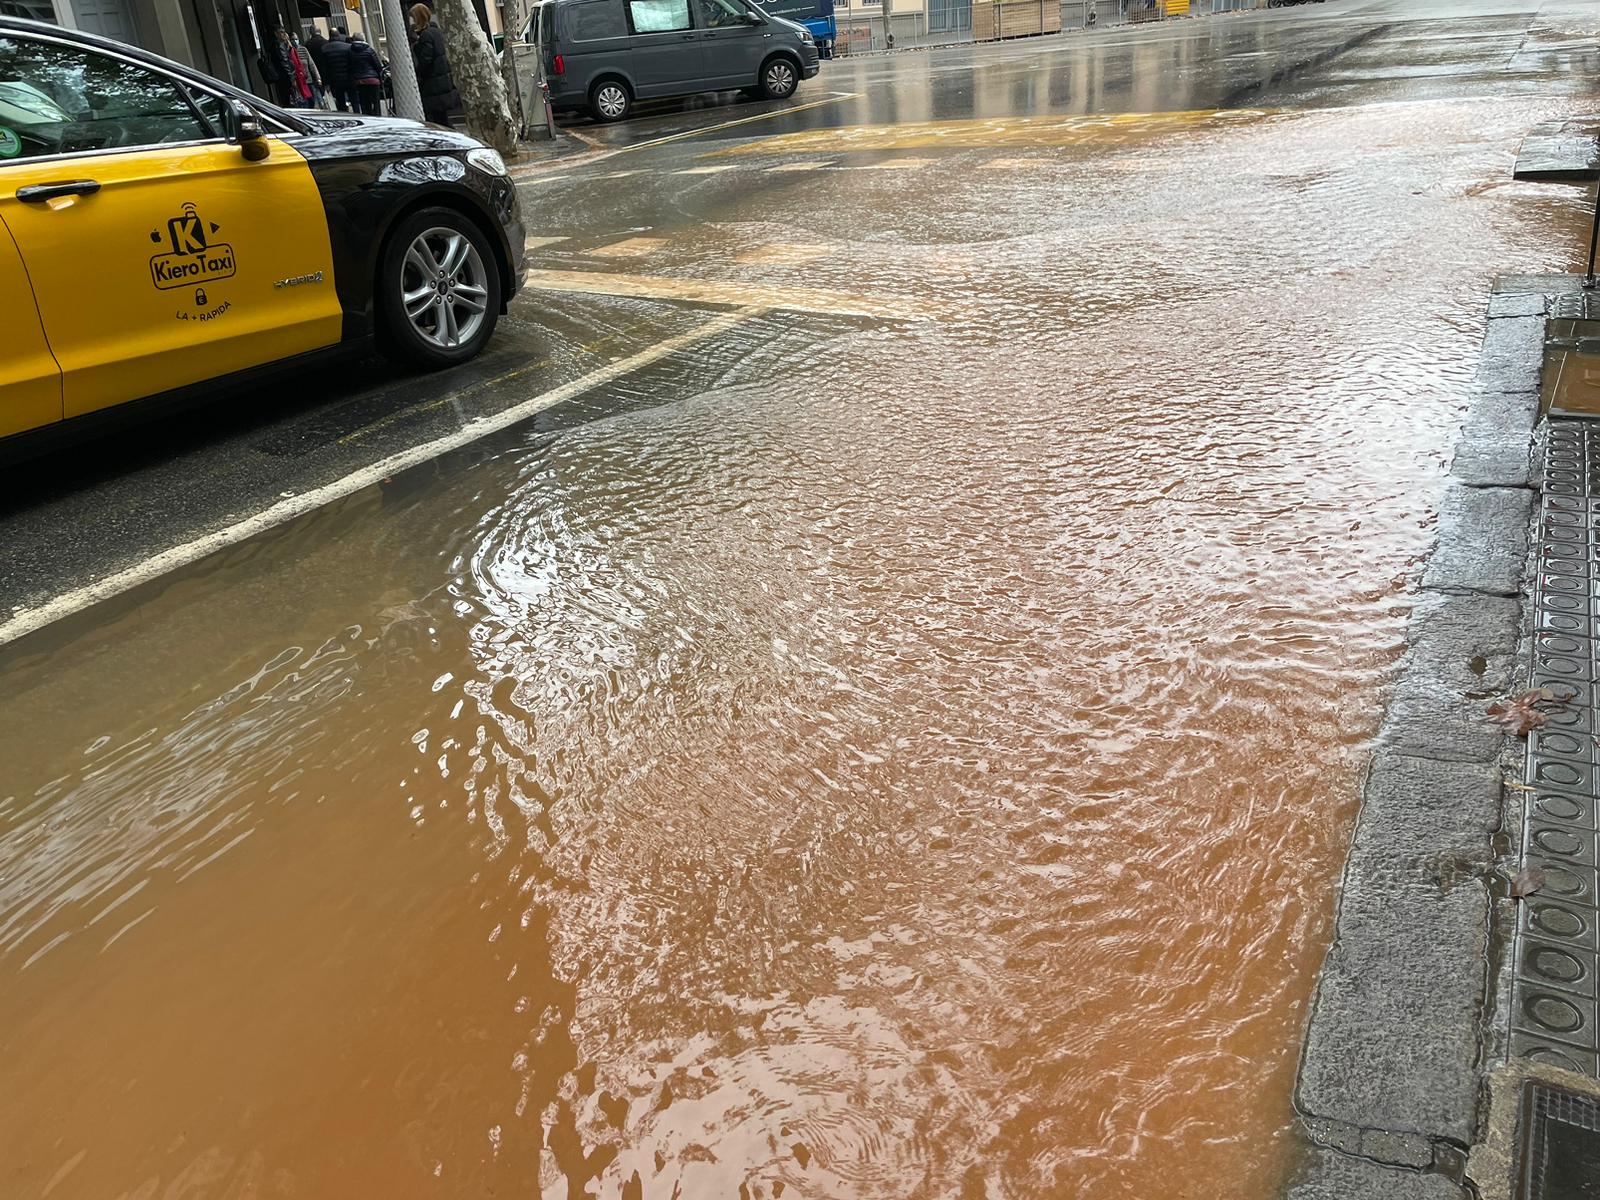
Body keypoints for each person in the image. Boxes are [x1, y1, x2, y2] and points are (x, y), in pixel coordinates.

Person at [409, 3, 458, 127]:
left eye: (413, 18)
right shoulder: (436, 32)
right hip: (441, 82)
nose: (412, 21)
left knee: (437, 121)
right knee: (442, 119)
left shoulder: (426, 36)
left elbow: (426, 60)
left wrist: (417, 74)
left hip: (433, 83)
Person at [348, 31, 385, 116]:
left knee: (364, 102)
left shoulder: (350, 51)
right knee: (376, 102)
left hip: (359, 80)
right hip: (373, 79)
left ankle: (367, 117)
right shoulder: (369, 50)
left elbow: (350, 66)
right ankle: (377, 116)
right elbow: (377, 65)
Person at [276, 28, 314, 108]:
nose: (284, 35)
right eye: (282, 33)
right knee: (299, 99)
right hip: (294, 77)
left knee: (304, 98)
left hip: (299, 76)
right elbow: (286, 63)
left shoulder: (291, 48)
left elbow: (307, 63)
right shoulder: (282, 47)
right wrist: (292, 79)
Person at [321, 28, 355, 113]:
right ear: (338, 35)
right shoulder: (347, 47)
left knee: (340, 102)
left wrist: (326, 82)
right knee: (354, 101)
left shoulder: (324, 48)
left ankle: (344, 117)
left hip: (335, 80)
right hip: (349, 78)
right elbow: (352, 63)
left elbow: (324, 67)